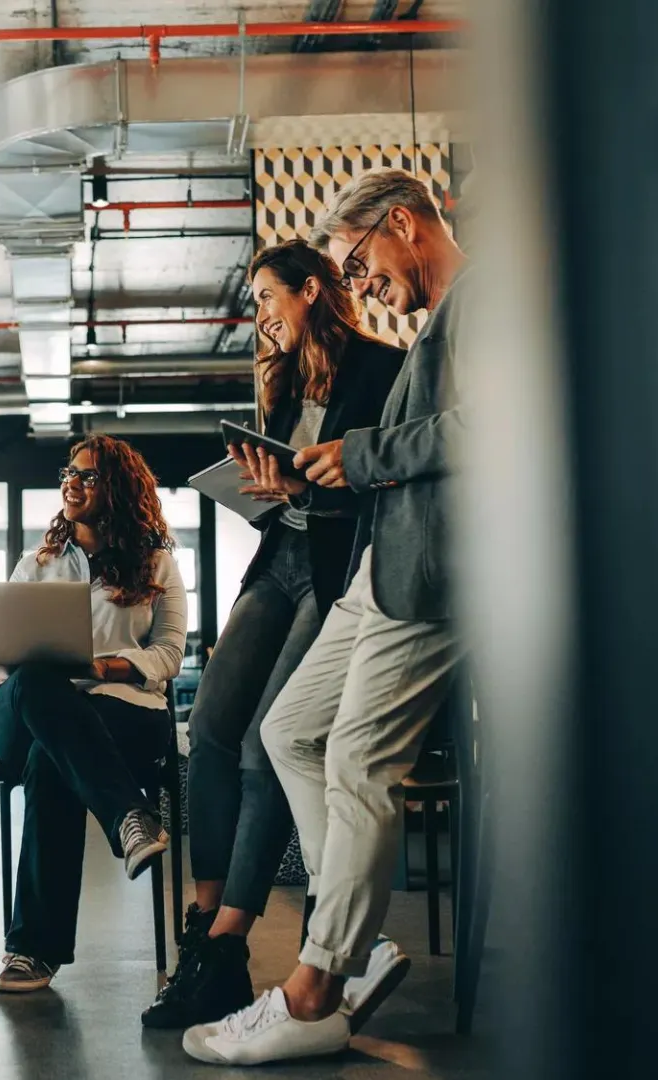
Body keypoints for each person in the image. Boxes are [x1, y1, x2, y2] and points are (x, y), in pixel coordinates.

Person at [183, 168, 468, 1065]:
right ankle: (360, 936)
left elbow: (494, 425)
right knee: (291, 731)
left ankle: (315, 987)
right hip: (382, 566)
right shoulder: (432, 327)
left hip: (428, 572)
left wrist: (363, 453)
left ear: (403, 224)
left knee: (354, 755)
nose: (362, 286)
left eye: (357, 263)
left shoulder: (484, 303)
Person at [141, 240, 407, 1030]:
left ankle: (227, 945)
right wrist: (265, 485)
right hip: (279, 558)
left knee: (267, 741)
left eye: (266, 295)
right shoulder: (284, 380)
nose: (258, 313)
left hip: (337, 569)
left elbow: (383, 492)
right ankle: (205, 928)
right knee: (211, 729)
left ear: (312, 290)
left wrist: (300, 486)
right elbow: (287, 483)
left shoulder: (383, 368)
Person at [0, 435, 188, 994]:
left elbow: (169, 655)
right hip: (21, 711)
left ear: (118, 488)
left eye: (88, 476)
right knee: (36, 682)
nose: (71, 483)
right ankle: (130, 816)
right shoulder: (38, 562)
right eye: (67, 473)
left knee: (53, 764)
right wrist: (41, 667)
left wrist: (109, 667)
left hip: (119, 711)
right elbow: (0, 652)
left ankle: (32, 953)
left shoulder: (156, 564)